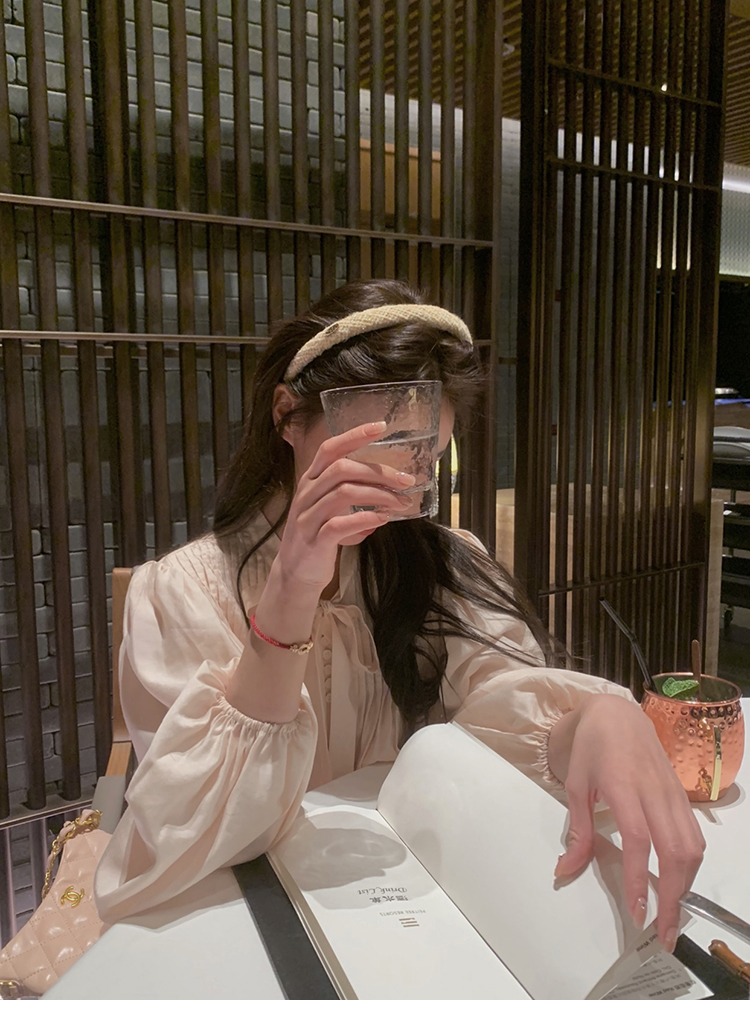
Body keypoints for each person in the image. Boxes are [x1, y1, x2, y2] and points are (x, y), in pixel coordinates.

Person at [94, 279, 705, 953]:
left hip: (414, 918)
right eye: (372, 452)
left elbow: (498, 710)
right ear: (288, 416)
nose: (402, 481)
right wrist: (291, 594)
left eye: (424, 456)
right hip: (244, 931)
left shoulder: (443, 564)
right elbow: (202, 832)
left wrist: (588, 723)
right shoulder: (183, 592)